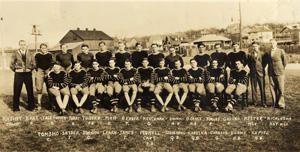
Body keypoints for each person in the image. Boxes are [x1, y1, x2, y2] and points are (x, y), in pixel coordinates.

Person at [9, 40, 36, 112]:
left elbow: (34, 64)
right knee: (17, 90)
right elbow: (11, 65)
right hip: (19, 74)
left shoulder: (30, 53)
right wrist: (16, 70)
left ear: (26, 45)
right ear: (19, 45)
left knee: (30, 90)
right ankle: (16, 108)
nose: (22, 46)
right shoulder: (15, 53)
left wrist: (30, 69)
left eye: (24, 44)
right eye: (21, 45)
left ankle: (31, 107)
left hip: (28, 74)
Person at [265, 39, 287, 109]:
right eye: (271, 43)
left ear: (276, 43)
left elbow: (285, 62)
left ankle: (281, 104)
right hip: (271, 73)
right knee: (272, 88)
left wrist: (281, 69)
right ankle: (274, 103)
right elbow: (268, 62)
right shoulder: (268, 52)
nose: (272, 44)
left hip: (279, 72)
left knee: (281, 88)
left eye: (273, 43)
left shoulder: (281, 51)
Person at [248, 42, 267, 107]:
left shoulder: (262, 53)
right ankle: (255, 102)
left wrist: (261, 68)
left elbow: (264, 63)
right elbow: (249, 63)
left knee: (262, 88)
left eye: (255, 46)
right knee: (254, 88)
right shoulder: (250, 54)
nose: (254, 47)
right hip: (253, 73)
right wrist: (252, 69)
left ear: (258, 46)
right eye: (253, 46)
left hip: (260, 73)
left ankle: (263, 102)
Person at [34, 43, 53, 110]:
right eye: (42, 48)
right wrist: (37, 70)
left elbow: (52, 63)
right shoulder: (37, 55)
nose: (43, 49)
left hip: (47, 71)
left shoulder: (49, 55)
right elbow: (35, 63)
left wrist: (50, 71)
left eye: (45, 48)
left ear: (47, 48)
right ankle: (39, 104)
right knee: (39, 88)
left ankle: (51, 103)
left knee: (50, 87)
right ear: (40, 48)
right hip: (40, 71)